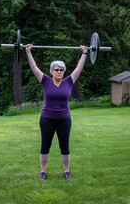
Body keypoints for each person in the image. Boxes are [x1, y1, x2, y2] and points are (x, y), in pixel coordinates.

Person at [25, 44, 87, 180]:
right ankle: (43, 171)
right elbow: (34, 68)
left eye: (61, 70)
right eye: (56, 70)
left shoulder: (68, 82)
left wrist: (84, 53)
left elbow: (79, 68)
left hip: (64, 120)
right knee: (45, 145)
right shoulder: (45, 81)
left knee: (64, 146)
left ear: (63, 72)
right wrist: (28, 52)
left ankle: (66, 171)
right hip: (47, 119)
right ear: (52, 71)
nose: (59, 72)